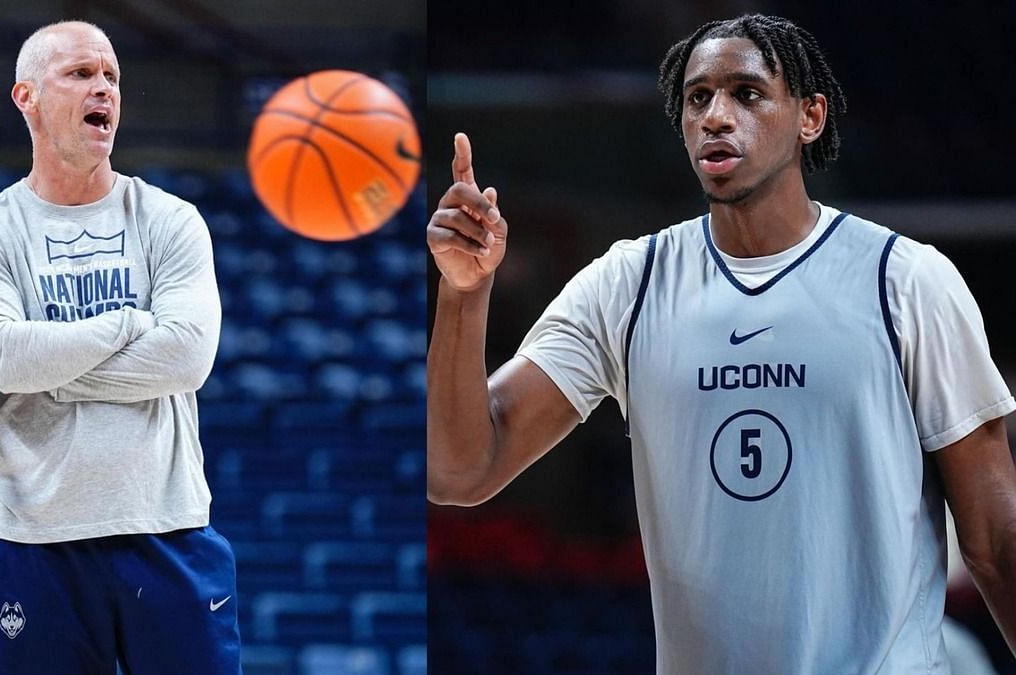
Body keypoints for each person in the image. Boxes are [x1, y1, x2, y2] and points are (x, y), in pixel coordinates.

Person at [427, 13, 1016, 673]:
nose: (715, 115)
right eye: (698, 98)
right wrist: (463, 293)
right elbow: (460, 470)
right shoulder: (628, 284)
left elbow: (995, 539)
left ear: (810, 117)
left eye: (747, 93)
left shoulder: (906, 281)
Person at [0, 21, 239, 673]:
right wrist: (128, 324)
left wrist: (41, 370)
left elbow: (188, 357)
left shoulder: (170, 220)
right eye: (80, 74)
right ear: (26, 96)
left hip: (169, 530)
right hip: (32, 542)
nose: (103, 87)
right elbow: (2, 354)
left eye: (111, 77)